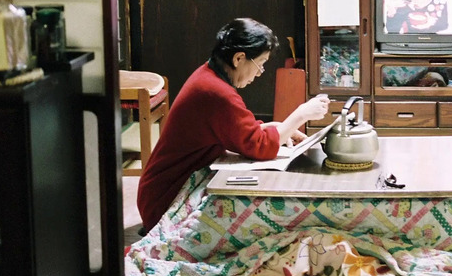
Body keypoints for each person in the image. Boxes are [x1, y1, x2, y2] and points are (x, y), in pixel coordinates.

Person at [136, 18, 329, 231]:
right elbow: (261, 147)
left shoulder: (208, 75)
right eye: (261, 64)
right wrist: (300, 115)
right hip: (164, 201)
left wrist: (273, 127)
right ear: (239, 58)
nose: (258, 73)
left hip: (157, 191)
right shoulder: (216, 92)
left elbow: (233, 128)